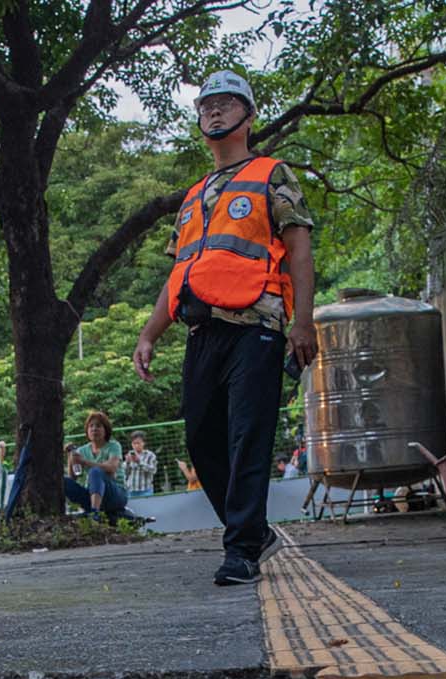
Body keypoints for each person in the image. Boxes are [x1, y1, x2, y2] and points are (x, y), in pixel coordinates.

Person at [133, 69, 317, 585]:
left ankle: (240, 550)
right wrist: (149, 333)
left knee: (248, 438)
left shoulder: (272, 175)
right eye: (206, 104)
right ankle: (254, 533)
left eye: (226, 102)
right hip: (201, 332)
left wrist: (303, 322)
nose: (213, 111)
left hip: (257, 327)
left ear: (248, 115)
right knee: (199, 437)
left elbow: (299, 249)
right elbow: (179, 273)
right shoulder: (193, 197)